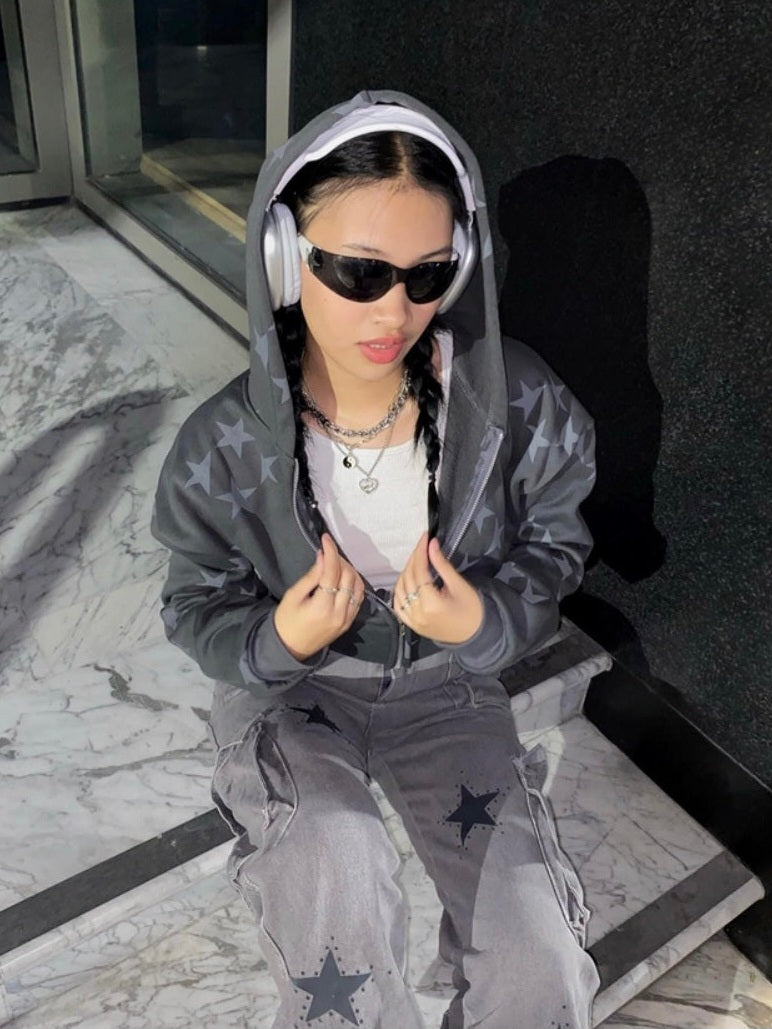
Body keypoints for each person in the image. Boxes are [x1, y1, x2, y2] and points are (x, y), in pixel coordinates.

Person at [152, 90, 600, 1029]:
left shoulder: (516, 404)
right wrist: (275, 636)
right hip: (295, 692)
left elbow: (557, 542)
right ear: (285, 257)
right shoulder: (221, 445)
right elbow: (194, 600)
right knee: (336, 874)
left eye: (427, 274)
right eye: (358, 272)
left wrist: (485, 622)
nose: (395, 310)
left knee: (541, 962)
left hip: (448, 689)